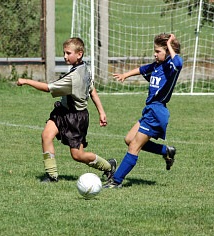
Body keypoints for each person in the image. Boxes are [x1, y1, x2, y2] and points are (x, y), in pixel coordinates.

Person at [17, 37, 117, 182]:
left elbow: (48, 88)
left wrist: (26, 81)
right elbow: (92, 90)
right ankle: (51, 175)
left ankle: (108, 166)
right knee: (46, 135)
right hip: (63, 112)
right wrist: (102, 112)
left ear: (79, 54)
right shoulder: (85, 68)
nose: (64, 56)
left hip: (76, 118)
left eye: (68, 53)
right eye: (64, 53)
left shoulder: (74, 77)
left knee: (77, 155)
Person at [103, 33, 183, 189]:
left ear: (167, 52)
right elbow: (141, 69)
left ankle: (116, 181)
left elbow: (178, 62)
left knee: (134, 147)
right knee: (129, 140)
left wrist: (170, 44)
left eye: (158, 51)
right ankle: (166, 151)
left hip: (157, 111)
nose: (155, 54)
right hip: (149, 110)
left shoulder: (170, 67)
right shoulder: (156, 66)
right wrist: (125, 75)